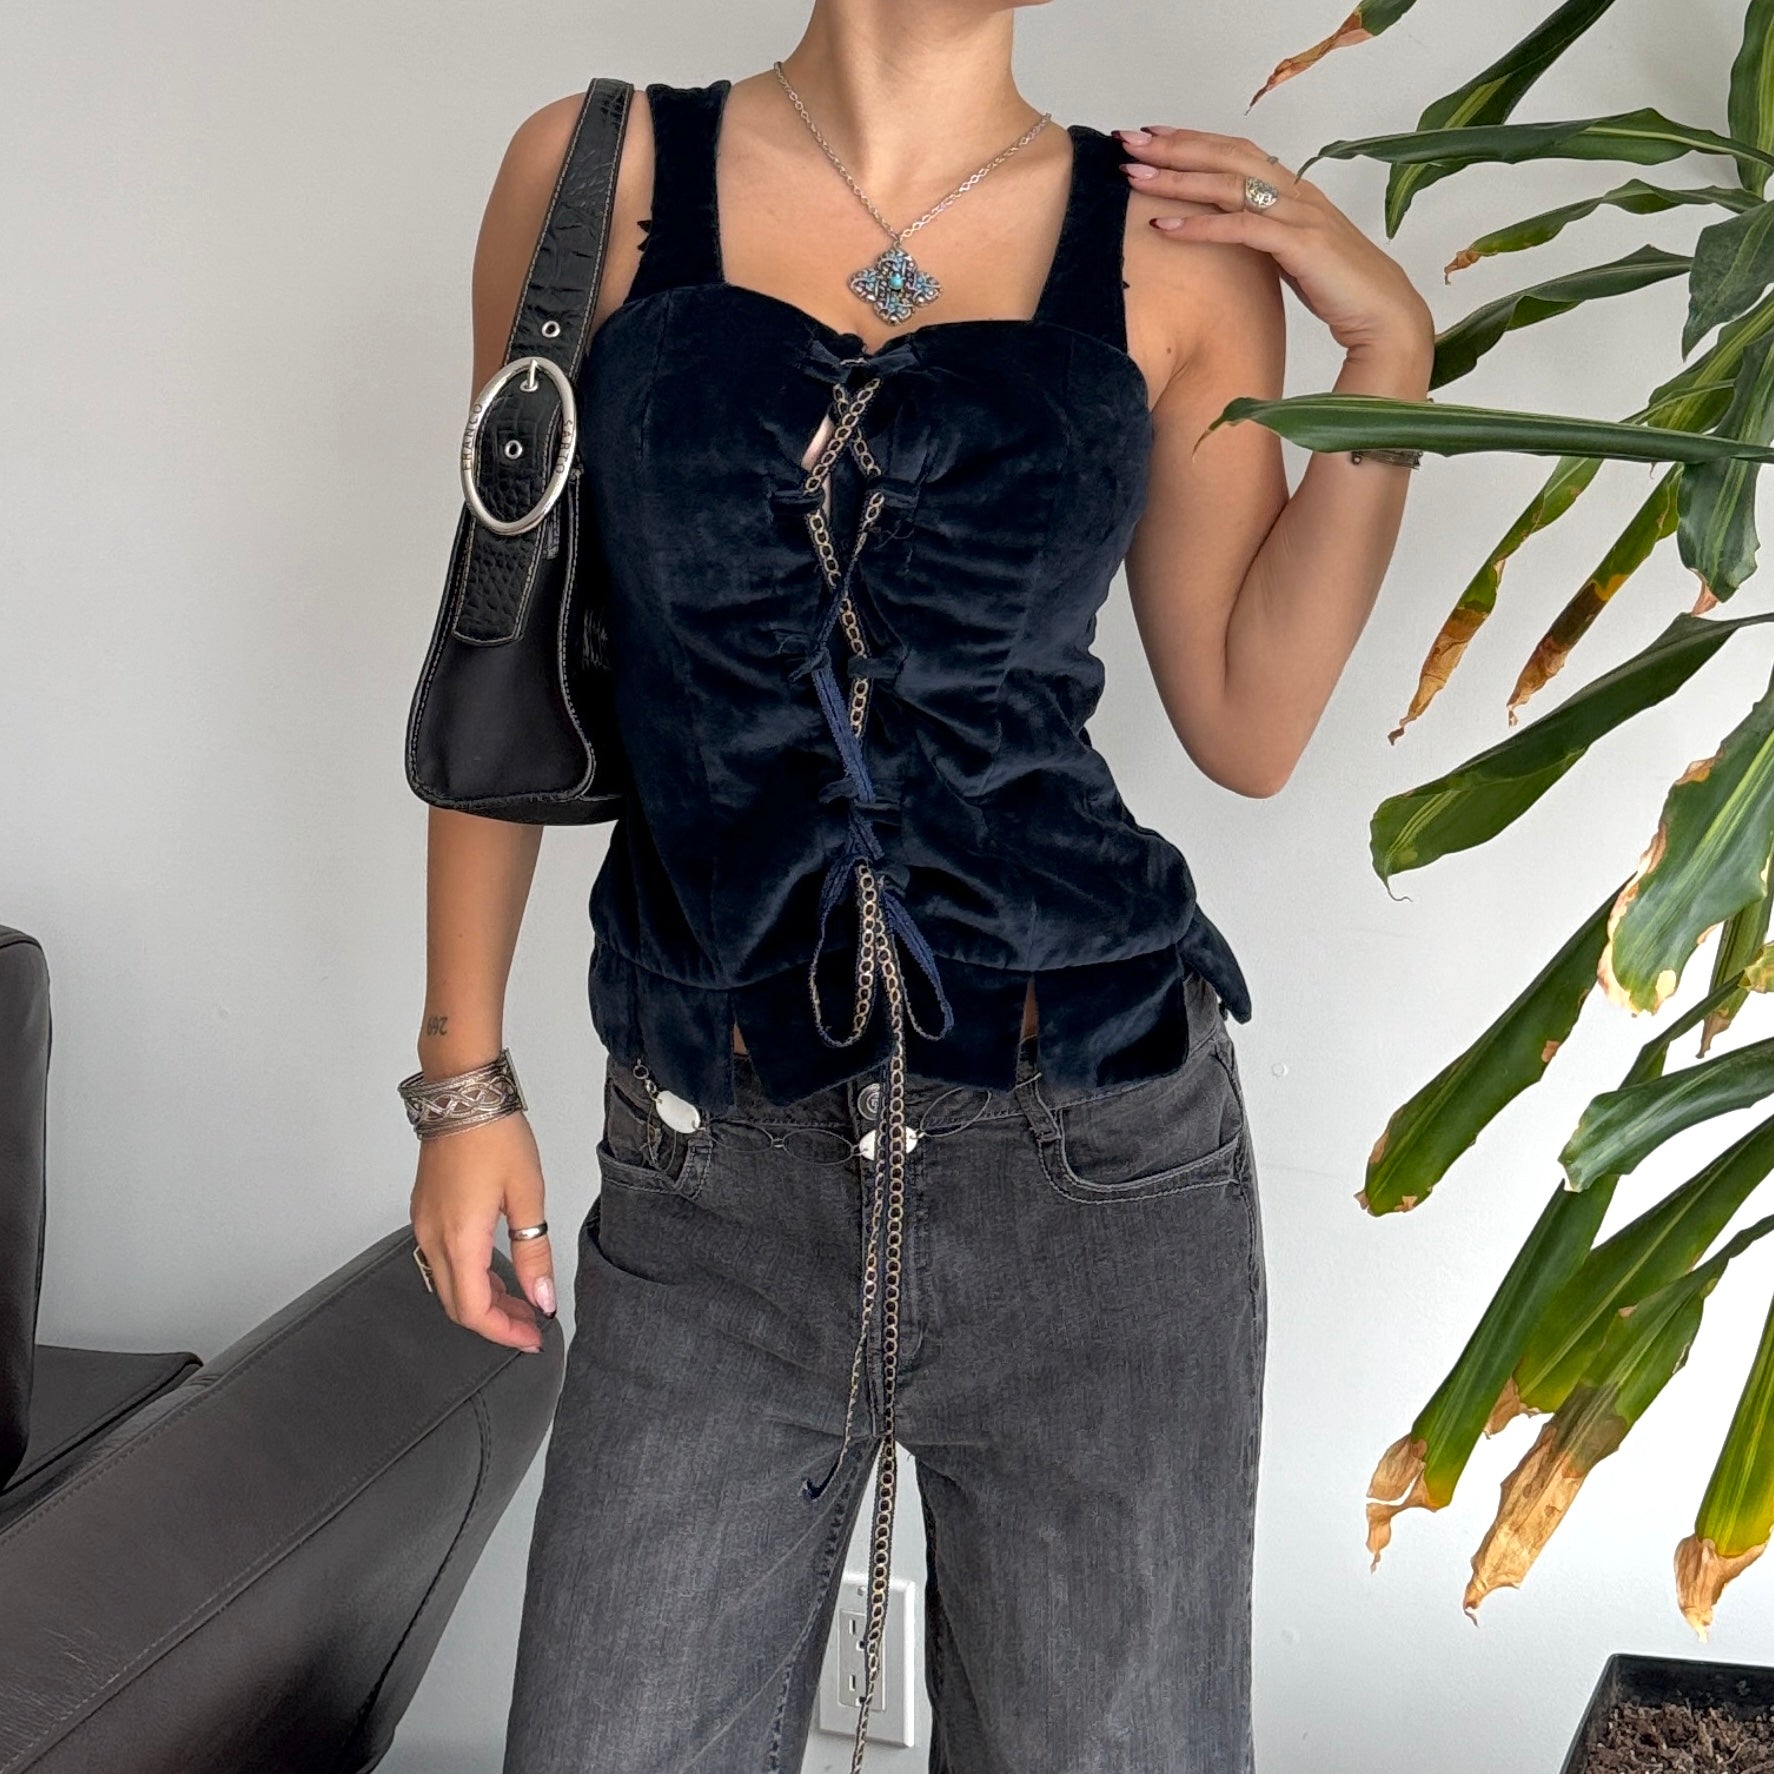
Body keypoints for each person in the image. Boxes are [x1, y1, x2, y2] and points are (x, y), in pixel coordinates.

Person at [406, 4, 1433, 1769]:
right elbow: (507, 629)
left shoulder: (1173, 243)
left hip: (1098, 1165)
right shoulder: (592, 173)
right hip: (711, 1170)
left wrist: (1389, 360)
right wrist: (461, 1074)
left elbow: (1248, 722)